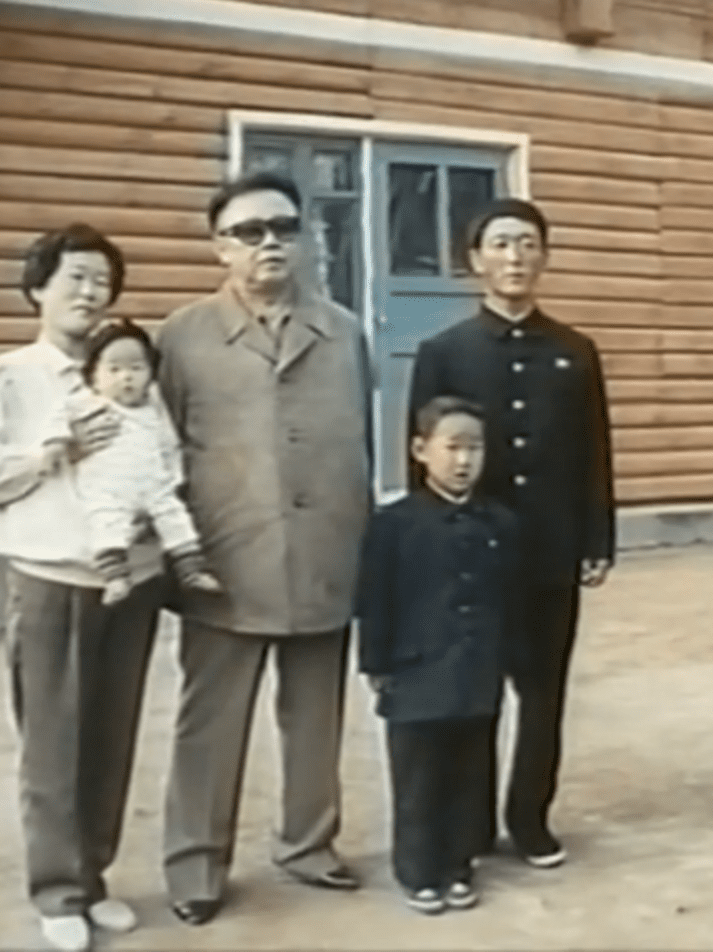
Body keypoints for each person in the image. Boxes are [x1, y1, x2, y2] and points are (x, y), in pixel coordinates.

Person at [155, 171, 372, 926]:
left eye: (283, 227)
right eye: (249, 232)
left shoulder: (344, 331)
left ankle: (308, 845)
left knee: (315, 716)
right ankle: (195, 866)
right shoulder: (182, 335)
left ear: (305, 238)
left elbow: (363, 441)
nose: (269, 243)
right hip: (225, 560)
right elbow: (158, 451)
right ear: (220, 248)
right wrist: (176, 551)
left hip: (325, 553)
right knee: (209, 722)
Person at [0, 224, 162, 952]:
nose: (91, 293)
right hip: (51, 581)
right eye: (75, 278)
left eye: (102, 281)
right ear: (38, 288)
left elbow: (166, 460)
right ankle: (58, 890)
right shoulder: (4, 378)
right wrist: (46, 456)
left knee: (111, 737)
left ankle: (94, 877)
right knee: (53, 744)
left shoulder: (132, 373)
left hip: (129, 583)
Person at [408, 198, 615, 869]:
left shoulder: (575, 351)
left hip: (551, 550)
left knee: (544, 694)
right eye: (500, 243)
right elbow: (423, 462)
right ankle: (469, 827)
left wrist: (596, 539)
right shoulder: (444, 353)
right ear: (476, 261)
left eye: (528, 243)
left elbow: (594, 452)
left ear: (544, 256)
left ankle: (530, 818)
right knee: (474, 694)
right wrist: (431, 546)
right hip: (474, 554)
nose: (515, 256)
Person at [356, 396, 521, 915]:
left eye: (475, 448)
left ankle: (458, 864)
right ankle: (418, 870)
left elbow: (511, 599)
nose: (464, 460)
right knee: (419, 775)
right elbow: (374, 599)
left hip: (476, 669)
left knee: (468, 770)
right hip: (416, 671)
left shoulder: (499, 523)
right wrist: (377, 663)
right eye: (452, 447)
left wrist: (506, 658)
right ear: (420, 450)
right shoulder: (394, 523)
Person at [49, 317, 221, 605]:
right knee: (107, 526)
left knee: (176, 520)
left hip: (154, 485)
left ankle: (191, 570)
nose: (126, 377)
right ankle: (115, 577)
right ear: (93, 376)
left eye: (136, 368)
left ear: (151, 374)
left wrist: (173, 480)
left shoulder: (154, 409)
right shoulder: (87, 403)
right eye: (114, 369)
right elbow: (58, 421)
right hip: (108, 488)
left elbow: (169, 445)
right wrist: (54, 445)